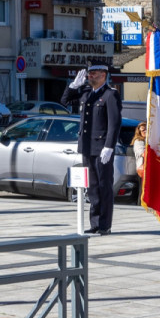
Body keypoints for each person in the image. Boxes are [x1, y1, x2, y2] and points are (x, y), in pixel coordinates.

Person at [60, 61, 121, 235]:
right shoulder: (86, 93)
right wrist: (73, 87)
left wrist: (109, 146)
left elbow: (114, 123)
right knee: (92, 188)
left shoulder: (111, 95)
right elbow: (64, 101)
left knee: (104, 186)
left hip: (102, 148)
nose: (89, 77)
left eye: (93, 74)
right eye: (89, 74)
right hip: (87, 147)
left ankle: (104, 225)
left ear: (103, 75)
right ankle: (94, 223)